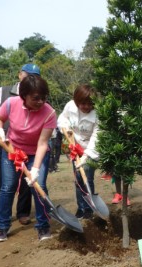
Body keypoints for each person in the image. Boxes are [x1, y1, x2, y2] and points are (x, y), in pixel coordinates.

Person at [0, 74, 56, 242]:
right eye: (36, 98)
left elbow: (42, 143)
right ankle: (3, 227)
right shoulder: (11, 104)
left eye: (44, 97)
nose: (41, 102)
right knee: (7, 186)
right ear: (24, 95)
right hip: (12, 149)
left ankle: (43, 226)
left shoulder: (49, 113)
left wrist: (35, 169)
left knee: (38, 185)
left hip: (36, 151)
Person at [0, 64, 39, 233]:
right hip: (5, 142)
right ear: (20, 74)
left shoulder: (37, 95)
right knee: (4, 182)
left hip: (27, 144)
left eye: (35, 76)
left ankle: (23, 212)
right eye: (28, 74)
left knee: (26, 179)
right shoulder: (5, 91)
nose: (31, 78)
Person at [58, 84, 100, 219]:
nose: (86, 107)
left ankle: (89, 208)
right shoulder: (70, 106)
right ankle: (81, 207)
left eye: (89, 104)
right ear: (76, 101)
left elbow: (96, 136)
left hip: (91, 149)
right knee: (78, 178)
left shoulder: (98, 113)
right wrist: (66, 129)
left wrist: (86, 155)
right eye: (82, 103)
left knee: (87, 176)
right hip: (75, 147)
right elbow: (62, 119)